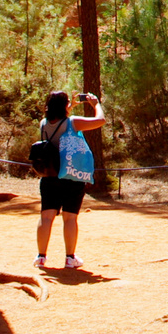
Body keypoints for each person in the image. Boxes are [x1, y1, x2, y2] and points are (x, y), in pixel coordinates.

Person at [35, 90, 104, 270]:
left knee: (46, 216)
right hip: (72, 176)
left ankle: (41, 257)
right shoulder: (73, 122)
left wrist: (69, 105)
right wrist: (96, 105)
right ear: (64, 106)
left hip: (50, 175)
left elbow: (58, 121)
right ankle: (69, 258)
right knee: (70, 218)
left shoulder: (43, 123)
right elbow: (100, 121)